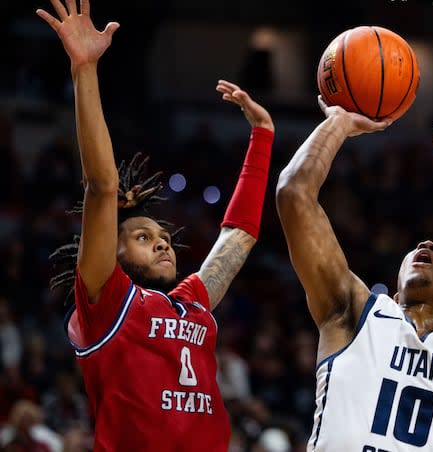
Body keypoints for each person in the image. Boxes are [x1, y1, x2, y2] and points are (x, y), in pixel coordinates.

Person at [38, 0, 275, 450]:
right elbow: (103, 187)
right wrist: (84, 70)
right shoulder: (108, 302)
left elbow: (238, 238)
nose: (163, 245)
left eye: (164, 238)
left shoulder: (193, 303)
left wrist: (262, 138)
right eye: (144, 238)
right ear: (116, 253)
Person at [276, 84, 433, 451]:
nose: (427, 245)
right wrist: (338, 123)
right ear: (396, 288)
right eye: (421, 246)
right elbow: (294, 194)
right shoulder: (354, 314)